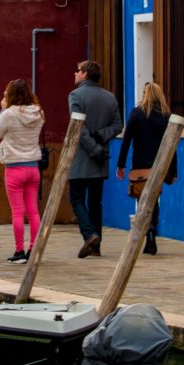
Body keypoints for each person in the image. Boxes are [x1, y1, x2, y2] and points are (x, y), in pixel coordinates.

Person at [117, 81, 178, 257]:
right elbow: (171, 146)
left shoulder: (136, 114)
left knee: (142, 200)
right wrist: (173, 171)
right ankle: (152, 231)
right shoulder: (166, 116)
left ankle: (148, 230)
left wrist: (121, 165)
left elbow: (126, 140)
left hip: (140, 166)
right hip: (159, 166)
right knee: (154, 199)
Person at [68, 59, 121, 259]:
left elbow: (78, 128)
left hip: (83, 157)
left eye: (78, 70)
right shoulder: (109, 97)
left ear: (85, 74)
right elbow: (117, 125)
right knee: (96, 202)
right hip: (100, 159)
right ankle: (97, 244)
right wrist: (101, 136)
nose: (75, 74)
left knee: (75, 197)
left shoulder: (75, 95)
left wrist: (93, 148)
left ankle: (89, 234)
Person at [0, 78, 46, 264]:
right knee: (33, 211)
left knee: (17, 212)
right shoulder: (39, 113)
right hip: (33, 167)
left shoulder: (9, 114)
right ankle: (34, 249)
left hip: (14, 167)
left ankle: (19, 251)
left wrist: (2, 110)